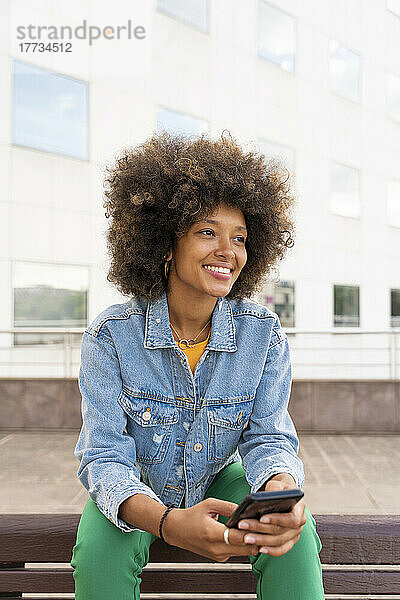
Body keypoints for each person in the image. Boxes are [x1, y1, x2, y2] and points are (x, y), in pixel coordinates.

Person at [70, 130, 325, 599]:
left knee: (294, 536)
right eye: (208, 232)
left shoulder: (263, 335)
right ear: (167, 244)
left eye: (240, 238)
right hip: (137, 483)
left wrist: (282, 487)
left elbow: (268, 437)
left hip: (218, 476)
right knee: (96, 557)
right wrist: (168, 523)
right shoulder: (110, 336)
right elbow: (104, 457)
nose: (227, 250)